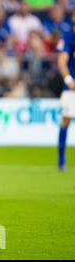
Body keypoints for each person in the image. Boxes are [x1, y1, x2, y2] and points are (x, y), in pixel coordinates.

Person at [56, 10, 75, 172]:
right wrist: (69, 80)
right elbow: (62, 61)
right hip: (72, 88)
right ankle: (61, 160)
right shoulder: (67, 37)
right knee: (66, 120)